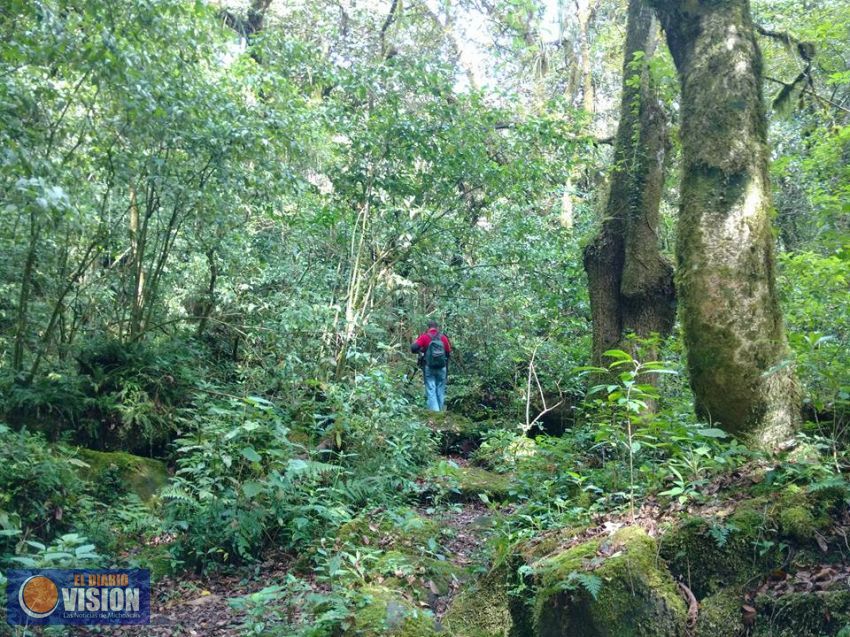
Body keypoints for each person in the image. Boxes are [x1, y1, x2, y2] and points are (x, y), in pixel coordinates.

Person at [411, 320, 452, 412]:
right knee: (440, 389)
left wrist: (420, 349)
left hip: (429, 367)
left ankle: (435, 414)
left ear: (428, 328)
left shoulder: (424, 337)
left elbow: (413, 348)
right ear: (437, 328)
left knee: (431, 388)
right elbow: (448, 353)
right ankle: (440, 412)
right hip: (442, 367)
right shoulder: (443, 338)